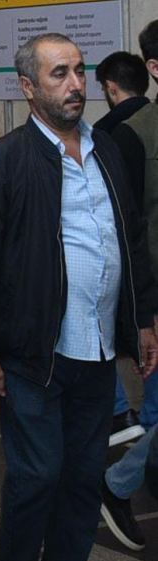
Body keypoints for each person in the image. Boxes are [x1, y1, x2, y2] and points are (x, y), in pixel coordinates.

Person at [0, 33, 158, 561]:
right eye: (58, 75)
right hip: (31, 355)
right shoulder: (1, 162)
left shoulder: (111, 151)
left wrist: (143, 319)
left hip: (97, 350)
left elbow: (133, 242)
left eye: (78, 72)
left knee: (80, 477)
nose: (75, 85)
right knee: (37, 476)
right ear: (28, 86)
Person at [93, 49, 153, 445]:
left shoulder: (106, 133)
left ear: (110, 89)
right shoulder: (146, 123)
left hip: (131, 261)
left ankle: (122, 414)